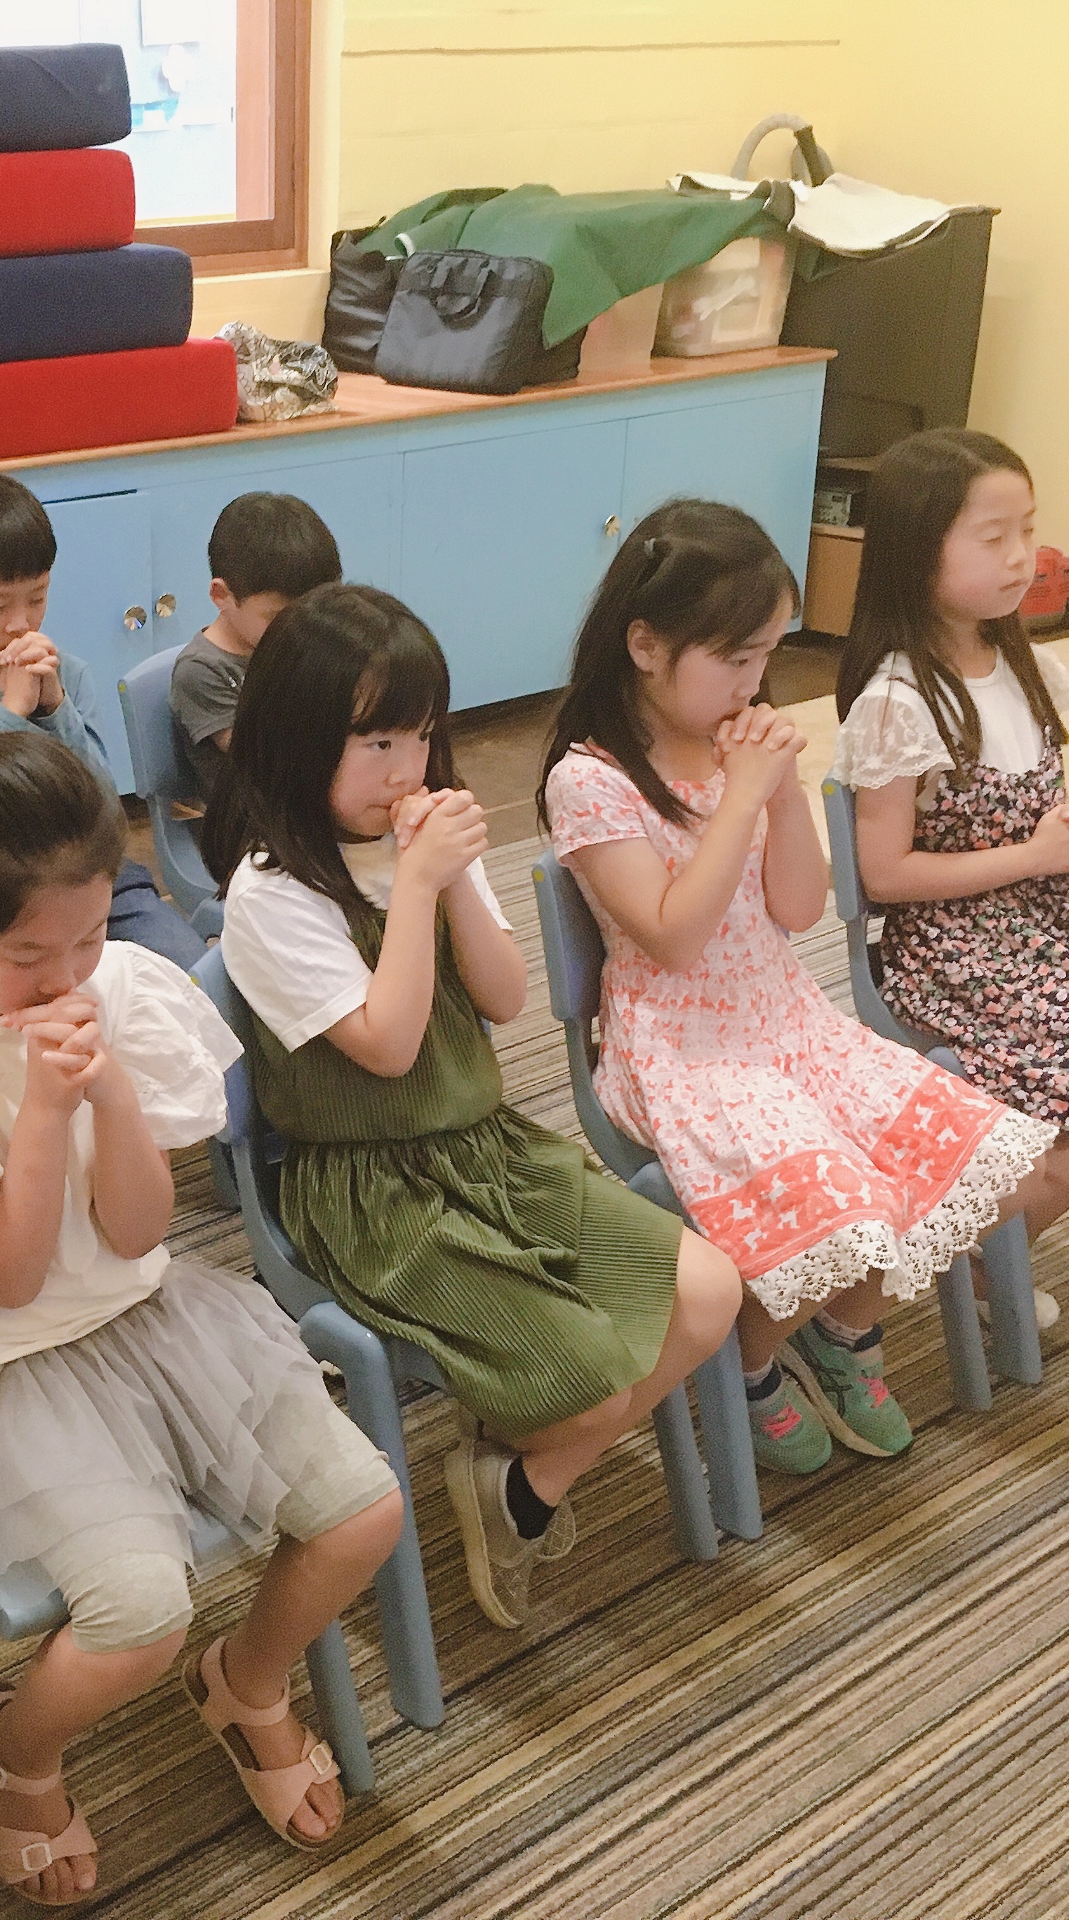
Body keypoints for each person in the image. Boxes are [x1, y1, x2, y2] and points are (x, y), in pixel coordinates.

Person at [0, 709, 402, 1905]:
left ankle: (248, 1680)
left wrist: (107, 1088)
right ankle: (15, 1748)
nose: (66, 980)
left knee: (364, 1511)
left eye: (91, 938)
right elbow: (7, 1279)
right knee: (139, 1613)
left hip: (146, 1323)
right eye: (28, 958)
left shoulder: (113, 987)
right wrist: (47, 1113)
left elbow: (138, 1231)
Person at [203, 582, 739, 1631]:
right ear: (296, 740)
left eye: (421, 736)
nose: (407, 769)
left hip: (484, 1147)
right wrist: (415, 887)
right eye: (376, 743)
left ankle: (520, 1483)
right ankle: (528, 1441)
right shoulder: (270, 894)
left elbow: (503, 998)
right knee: (592, 1380)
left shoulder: (429, 846)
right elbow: (390, 1048)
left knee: (710, 1292)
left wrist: (448, 882)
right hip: (369, 1189)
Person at [540, 498, 1057, 1478]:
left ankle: (840, 1334)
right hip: (684, 1051)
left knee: (978, 1158)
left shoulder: (740, 746)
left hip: (789, 1021)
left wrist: (776, 791)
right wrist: (744, 794)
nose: (754, 682)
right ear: (644, 645)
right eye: (734, 659)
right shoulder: (591, 779)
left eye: (767, 656)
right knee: (849, 1207)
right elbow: (675, 939)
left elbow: (797, 905)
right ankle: (747, 1362)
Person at [832, 429, 1069, 1325]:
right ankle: (977, 1250)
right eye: (993, 537)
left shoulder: (1022, 663)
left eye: (1029, 530)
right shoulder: (899, 699)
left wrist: (1061, 839)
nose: (1023, 557)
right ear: (919, 550)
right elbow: (884, 872)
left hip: (1046, 918)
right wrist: (1033, 856)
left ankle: (997, 1237)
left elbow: (1038, 819)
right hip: (957, 950)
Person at [0, 471, 205, 970]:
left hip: (91, 885)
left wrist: (55, 710)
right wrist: (9, 716)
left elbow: (104, 813)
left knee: (185, 973)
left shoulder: (67, 674)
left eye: (37, 596)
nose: (21, 622)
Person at [169, 491, 342, 796]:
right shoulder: (202, 671)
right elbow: (268, 761)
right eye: (279, 617)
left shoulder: (305, 641)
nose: (303, 629)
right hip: (255, 812)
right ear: (222, 596)